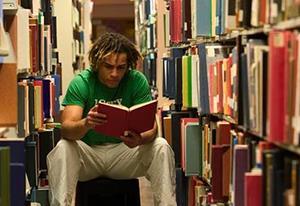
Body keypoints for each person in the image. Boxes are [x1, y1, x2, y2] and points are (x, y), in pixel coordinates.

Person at [47, 32, 177, 206]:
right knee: (63, 148)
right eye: (108, 66)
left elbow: (151, 129)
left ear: (128, 66)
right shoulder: (82, 82)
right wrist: (86, 123)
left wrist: (140, 139)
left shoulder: (137, 80)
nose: (115, 73)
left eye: (121, 67)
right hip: (89, 156)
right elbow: (66, 128)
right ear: (97, 64)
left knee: (161, 146)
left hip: (123, 154)